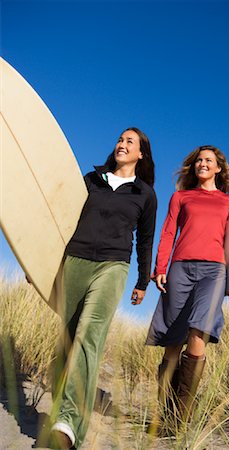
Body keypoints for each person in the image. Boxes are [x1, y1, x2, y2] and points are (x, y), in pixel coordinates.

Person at [48, 127, 157, 449]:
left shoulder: (145, 194)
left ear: (141, 154)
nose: (122, 144)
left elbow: (146, 241)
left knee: (88, 336)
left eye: (130, 142)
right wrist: (41, 259)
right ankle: (60, 412)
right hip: (75, 261)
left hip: (113, 265)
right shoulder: (92, 180)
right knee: (68, 340)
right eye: (120, 139)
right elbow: (63, 219)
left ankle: (68, 424)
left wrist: (141, 281)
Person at [146, 145, 229, 423]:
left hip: (215, 271)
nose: (202, 163)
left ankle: (180, 418)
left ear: (218, 168)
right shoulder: (180, 197)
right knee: (173, 340)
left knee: (199, 333)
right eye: (199, 160)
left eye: (208, 160)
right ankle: (163, 413)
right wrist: (160, 267)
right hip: (180, 268)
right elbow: (168, 232)